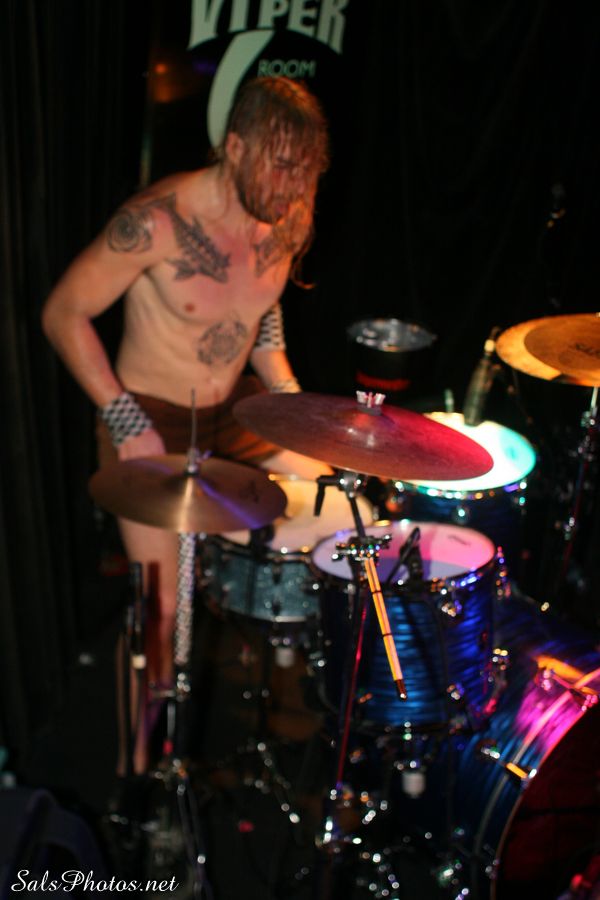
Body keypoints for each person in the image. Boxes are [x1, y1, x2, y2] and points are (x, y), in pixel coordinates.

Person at [42, 76, 330, 769]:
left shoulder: (287, 212)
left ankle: (299, 699)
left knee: (340, 503)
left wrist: (288, 398)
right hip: (151, 417)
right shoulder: (157, 222)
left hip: (232, 412)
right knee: (161, 612)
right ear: (234, 147)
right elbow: (63, 313)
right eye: (279, 166)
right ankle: (138, 773)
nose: (292, 188)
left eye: (304, 171)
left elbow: (260, 308)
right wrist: (121, 416)